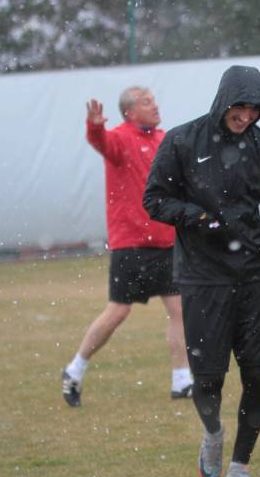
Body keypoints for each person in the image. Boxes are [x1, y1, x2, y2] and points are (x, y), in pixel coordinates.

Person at [144, 65, 260, 477]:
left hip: (254, 274)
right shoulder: (182, 140)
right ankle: (213, 434)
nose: (247, 115)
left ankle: (240, 467)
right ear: (223, 101)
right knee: (209, 379)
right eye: (241, 106)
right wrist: (195, 218)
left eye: (255, 108)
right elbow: (155, 199)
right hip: (203, 277)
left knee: (257, 372)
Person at [61, 87, 192, 408]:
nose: (155, 106)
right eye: (147, 102)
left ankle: (182, 381)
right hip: (131, 243)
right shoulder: (120, 139)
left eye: (155, 100)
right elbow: (100, 141)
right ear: (130, 112)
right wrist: (94, 126)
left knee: (179, 310)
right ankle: (75, 369)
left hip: (165, 241)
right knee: (119, 310)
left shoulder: (163, 139)